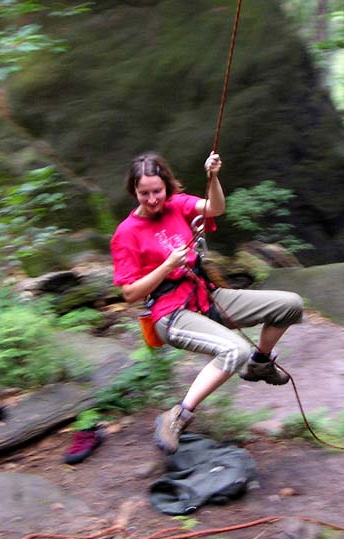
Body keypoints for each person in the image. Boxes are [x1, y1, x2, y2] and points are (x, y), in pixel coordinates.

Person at [111, 152, 303, 454]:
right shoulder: (127, 233)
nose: (151, 199)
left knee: (290, 304)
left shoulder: (177, 205)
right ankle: (177, 416)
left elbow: (216, 207)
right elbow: (129, 294)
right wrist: (166, 266)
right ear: (133, 191)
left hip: (206, 296)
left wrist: (213, 176)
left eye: (157, 191)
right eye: (143, 193)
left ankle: (260, 364)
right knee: (234, 349)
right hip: (170, 313)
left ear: (167, 187)